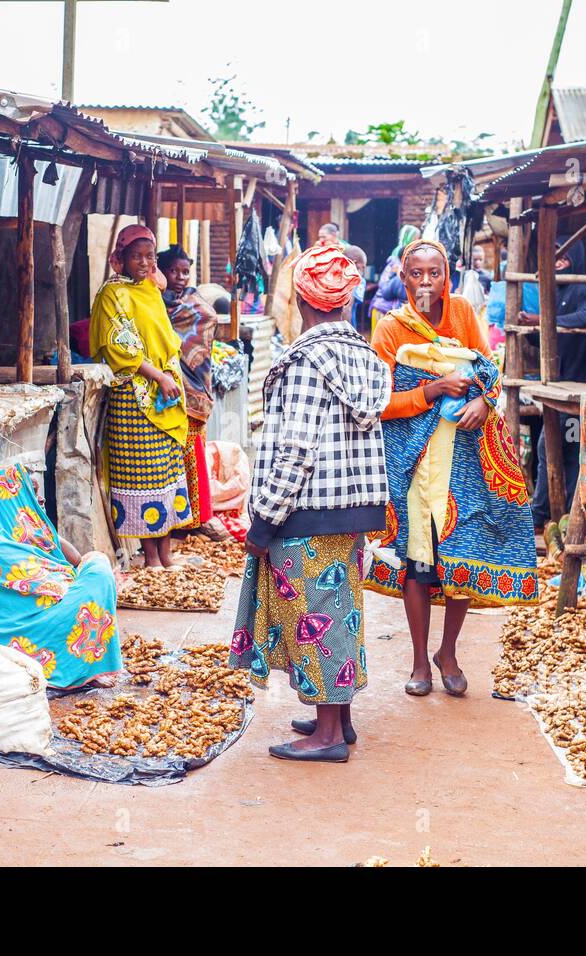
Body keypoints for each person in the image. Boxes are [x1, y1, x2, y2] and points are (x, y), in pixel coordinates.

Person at [228, 243, 390, 763]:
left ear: (302, 300)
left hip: (306, 508)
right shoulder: (364, 357)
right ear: (345, 302)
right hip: (352, 510)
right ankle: (338, 720)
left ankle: (324, 738)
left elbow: (294, 451)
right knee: (341, 610)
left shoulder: (303, 362)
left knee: (312, 614)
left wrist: (264, 519)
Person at [366, 240, 538, 697]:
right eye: (417, 274)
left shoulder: (462, 314)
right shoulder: (390, 330)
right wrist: (435, 387)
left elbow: (489, 370)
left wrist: (483, 398)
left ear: (449, 276)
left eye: (435, 273)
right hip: (413, 462)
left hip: (464, 461)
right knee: (418, 561)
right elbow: (381, 401)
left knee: (459, 556)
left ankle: (449, 652)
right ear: (403, 279)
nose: (426, 282)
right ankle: (420, 661)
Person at [0, 463, 122, 689]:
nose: (41, 500)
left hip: (37, 621)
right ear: (13, 500)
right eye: (31, 494)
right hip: (24, 632)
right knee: (98, 571)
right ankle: (82, 666)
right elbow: (59, 587)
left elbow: (75, 559)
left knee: (96, 564)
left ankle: (87, 664)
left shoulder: (19, 534)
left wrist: (44, 528)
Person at [89, 224, 191, 567]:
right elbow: (123, 349)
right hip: (135, 399)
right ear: (122, 258)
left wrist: (169, 379)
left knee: (165, 473)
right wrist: (159, 377)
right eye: (137, 256)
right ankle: (150, 557)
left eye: (150, 255)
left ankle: (165, 553)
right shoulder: (112, 294)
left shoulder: (149, 290)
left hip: (166, 395)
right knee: (142, 475)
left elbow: (163, 339)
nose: (145, 263)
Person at [517, 238, 586, 529]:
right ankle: (549, 511)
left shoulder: (584, 287)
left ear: (574, 259)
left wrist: (543, 318)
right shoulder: (553, 292)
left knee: (569, 450)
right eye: (554, 258)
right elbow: (547, 338)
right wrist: (531, 328)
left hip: (578, 388)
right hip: (557, 387)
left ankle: (561, 513)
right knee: (551, 449)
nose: (558, 261)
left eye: (563, 257)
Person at [157, 244, 221, 537]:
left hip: (195, 383)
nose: (180, 277)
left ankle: (197, 516)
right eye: (174, 271)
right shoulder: (155, 302)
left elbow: (206, 323)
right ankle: (182, 520)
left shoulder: (192, 298)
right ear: (162, 271)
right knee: (179, 454)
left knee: (195, 450)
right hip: (170, 386)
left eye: (185, 271)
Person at [371, 223, 420, 325]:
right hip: (386, 308)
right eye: (416, 238)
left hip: (390, 307)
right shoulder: (403, 256)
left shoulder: (400, 254)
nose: (418, 241)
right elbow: (389, 288)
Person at [343, 243, 371, 336]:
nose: (363, 270)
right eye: (363, 267)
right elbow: (347, 309)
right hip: (346, 328)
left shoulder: (336, 276)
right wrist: (348, 336)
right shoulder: (356, 279)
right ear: (354, 263)